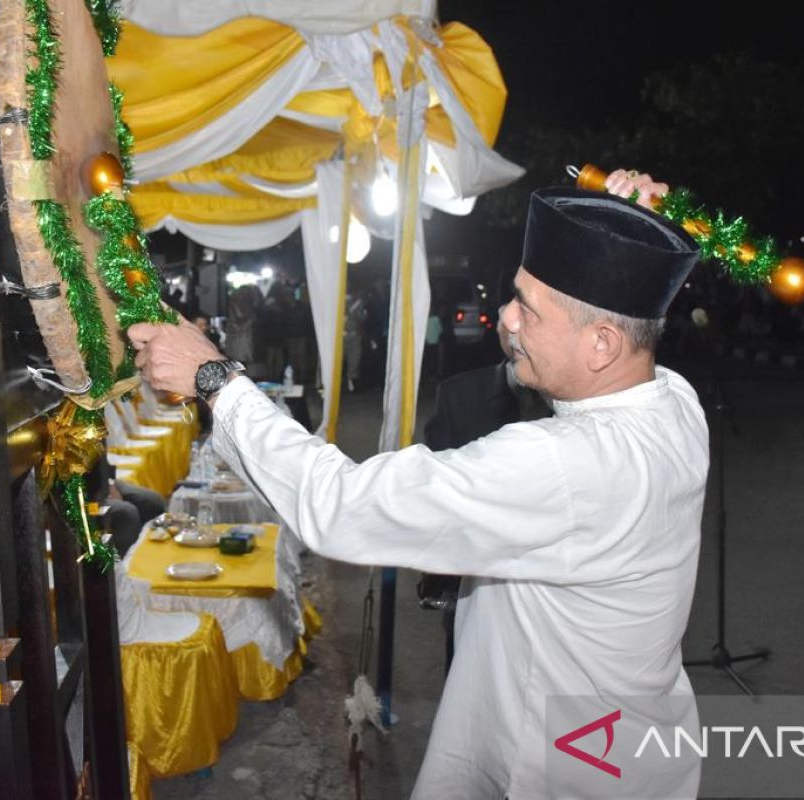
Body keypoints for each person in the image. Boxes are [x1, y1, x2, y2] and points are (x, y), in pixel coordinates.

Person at [129, 173, 707, 799]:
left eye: (528, 309)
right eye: (514, 296)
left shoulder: (568, 465)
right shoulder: (673, 401)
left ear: (601, 343)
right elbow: (635, 320)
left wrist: (217, 380)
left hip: (561, 765)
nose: (506, 320)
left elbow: (342, 507)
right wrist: (626, 236)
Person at [419, 309, 551, 674]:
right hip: (474, 593)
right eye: (511, 308)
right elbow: (435, 494)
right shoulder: (460, 395)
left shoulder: (582, 405)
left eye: (532, 312)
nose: (515, 322)